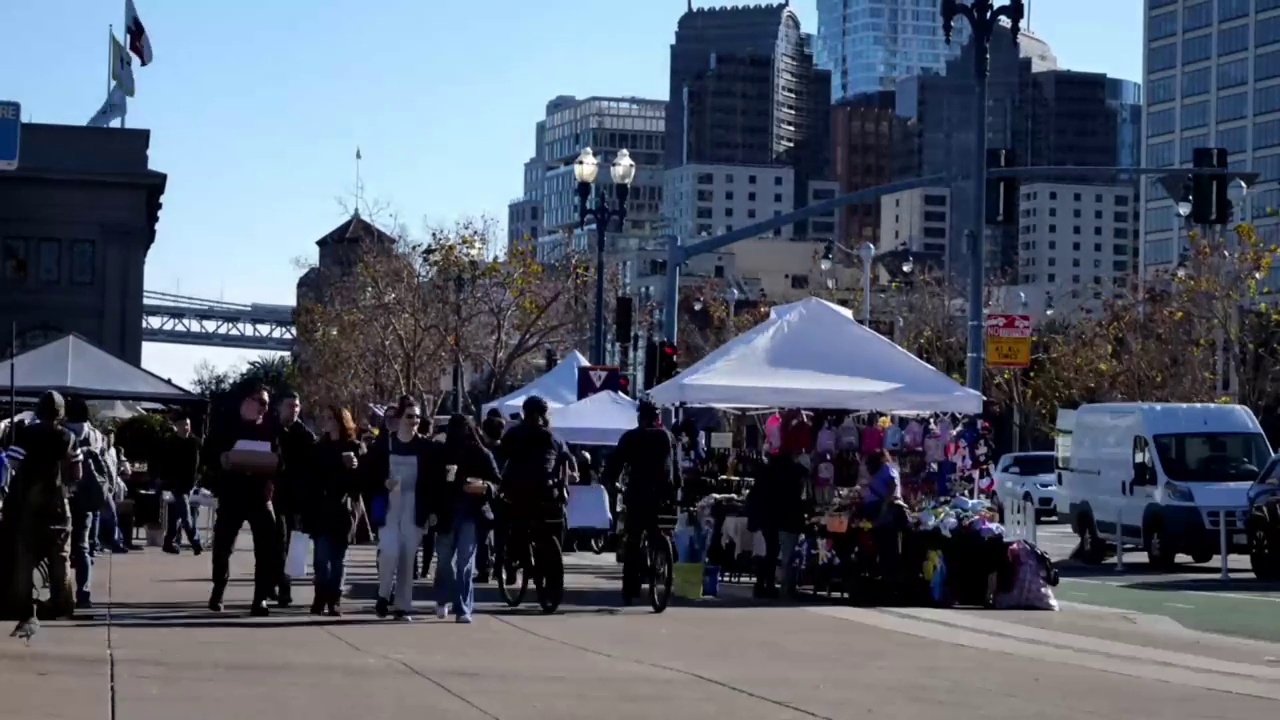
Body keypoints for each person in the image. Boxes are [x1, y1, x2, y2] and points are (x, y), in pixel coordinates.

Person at [0, 392, 82, 639]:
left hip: (30, 506)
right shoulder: (69, 437)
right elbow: (78, 472)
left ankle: (22, 602)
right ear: (60, 412)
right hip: (58, 505)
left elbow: (12, 464)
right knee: (61, 557)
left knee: (25, 556)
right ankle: (62, 602)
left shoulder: (26, 435)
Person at [205, 384, 281, 616]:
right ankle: (218, 591)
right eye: (261, 402)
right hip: (232, 495)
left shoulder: (270, 429)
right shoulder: (225, 427)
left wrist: (272, 479)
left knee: (267, 547)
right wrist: (224, 459)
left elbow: (280, 461)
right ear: (245, 401)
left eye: (266, 403)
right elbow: (208, 456)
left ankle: (260, 599)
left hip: (260, 495)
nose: (264, 408)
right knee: (222, 548)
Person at [365, 395, 436, 621]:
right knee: (389, 551)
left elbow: (433, 481)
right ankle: (384, 594)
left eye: (417, 417)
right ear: (399, 418)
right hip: (390, 506)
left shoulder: (425, 446)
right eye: (409, 416)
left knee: (407, 558)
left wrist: (432, 511)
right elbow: (368, 473)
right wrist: (382, 482)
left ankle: (402, 607)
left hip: (414, 507)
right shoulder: (385, 444)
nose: (414, 421)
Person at [602, 400, 680, 604]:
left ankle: (630, 589)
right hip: (664, 496)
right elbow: (675, 468)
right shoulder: (668, 437)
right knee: (659, 531)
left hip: (637, 495)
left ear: (639, 418)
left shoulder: (631, 437)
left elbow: (614, 464)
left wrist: (611, 483)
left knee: (633, 541)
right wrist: (675, 493)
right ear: (657, 418)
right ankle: (661, 558)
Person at [431, 415, 500, 623]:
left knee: (465, 562)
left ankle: (463, 608)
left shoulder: (481, 454)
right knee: (444, 561)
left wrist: (485, 487)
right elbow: (430, 483)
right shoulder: (441, 453)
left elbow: (497, 483)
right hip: (445, 514)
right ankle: (443, 598)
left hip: (471, 513)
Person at [495, 395, 571, 585]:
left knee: (510, 524)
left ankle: (512, 561)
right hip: (549, 493)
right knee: (556, 524)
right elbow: (566, 460)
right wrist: (564, 485)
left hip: (520, 493)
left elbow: (500, 459)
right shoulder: (554, 437)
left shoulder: (514, 434)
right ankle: (551, 558)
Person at [306, 407, 362, 616]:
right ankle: (320, 596)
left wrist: (355, 467)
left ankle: (334, 599)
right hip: (322, 508)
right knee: (321, 558)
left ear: (341, 422)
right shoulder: (320, 447)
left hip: (343, 510)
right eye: (325, 418)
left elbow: (359, 481)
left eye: (331, 419)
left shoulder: (354, 446)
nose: (327, 422)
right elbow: (314, 475)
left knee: (338, 559)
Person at [274, 392, 317, 608]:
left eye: (297, 405)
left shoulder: (305, 435)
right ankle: (271, 583)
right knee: (272, 543)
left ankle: (284, 588)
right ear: (280, 407)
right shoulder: (271, 431)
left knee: (289, 544)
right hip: (272, 494)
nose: (294, 409)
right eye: (290, 405)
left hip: (295, 497)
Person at [63, 397, 106, 609]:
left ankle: (60, 592)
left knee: (59, 546)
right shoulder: (97, 435)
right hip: (89, 496)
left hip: (64, 494)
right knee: (83, 546)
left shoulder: (63, 433)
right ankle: (84, 593)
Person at [159, 412, 203, 555]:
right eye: (183, 425)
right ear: (176, 427)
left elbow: (198, 464)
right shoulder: (170, 443)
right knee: (185, 517)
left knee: (176, 516)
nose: (186, 427)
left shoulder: (195, 443)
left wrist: (198, 479)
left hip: (189, 484)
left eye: (188, 425)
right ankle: (196, 542)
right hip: (176, 485)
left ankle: (168, 542)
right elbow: (165, 463)